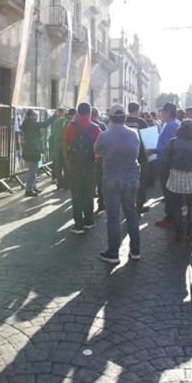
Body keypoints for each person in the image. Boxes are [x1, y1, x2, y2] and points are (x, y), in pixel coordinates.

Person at [94, 105, 143, 263]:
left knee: (113, 218)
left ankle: (113, 253)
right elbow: (136, 152)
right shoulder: (134, 134)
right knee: (131, 214)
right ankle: (135, 251)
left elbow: (96, 150)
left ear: (110, 118)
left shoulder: (104, 135)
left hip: (112, 178)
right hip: (131, 178)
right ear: (125, 118)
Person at [159, 120, 192, 243]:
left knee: (177, 206)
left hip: (175, 176)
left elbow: (163, 157)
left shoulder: (173, 142)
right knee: (191, 205)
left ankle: (179, 233)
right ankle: (191, 231)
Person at [63, 103, 102, 234]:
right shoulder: (96, 128)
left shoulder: (71, 126)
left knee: (76, 194)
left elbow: (66, 144)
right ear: (90, 113)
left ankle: (78, 224)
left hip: (75, 164)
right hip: (90, 164)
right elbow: (100, 149)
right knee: (89, 193)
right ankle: (89, 220)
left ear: (78, 113)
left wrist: (69, 162)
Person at [151, 103, 181, 229]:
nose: (161, 114)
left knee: (168, 190)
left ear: (168, 112)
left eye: (162, 111)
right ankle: (172, 216)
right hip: (168, 161)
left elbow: (169, 146)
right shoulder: (174, 123)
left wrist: (154, 150)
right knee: (170, 190)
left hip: (166, 161)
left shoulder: (170, 125)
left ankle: (170, 218)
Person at [20, 108, 59, 197]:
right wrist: (54, 116)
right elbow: (44, 124)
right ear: (30, 116)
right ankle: (29, 189)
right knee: (32, 171)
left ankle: (33, 187)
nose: (36, 116)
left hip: (31, 150)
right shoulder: (31, 124)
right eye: (34, 114)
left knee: (34, 170)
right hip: (32, 150)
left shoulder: (28, 123)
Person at [124, 102, 152, 213]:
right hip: (141, 157)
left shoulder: (124, 121)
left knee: (127, 182)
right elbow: (148, 141)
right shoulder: (142, 122)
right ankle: (139, 206)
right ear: (138, 110)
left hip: (125, 157)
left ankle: (127, 206)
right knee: (141, 182)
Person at [48, 107, 71, 189]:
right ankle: (66, 183)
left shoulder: (56, 121)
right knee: (66, 165)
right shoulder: (69, 122)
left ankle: (59, 182)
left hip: (56, 145)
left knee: (58, 165)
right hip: (65, 145)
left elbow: (53, 132)